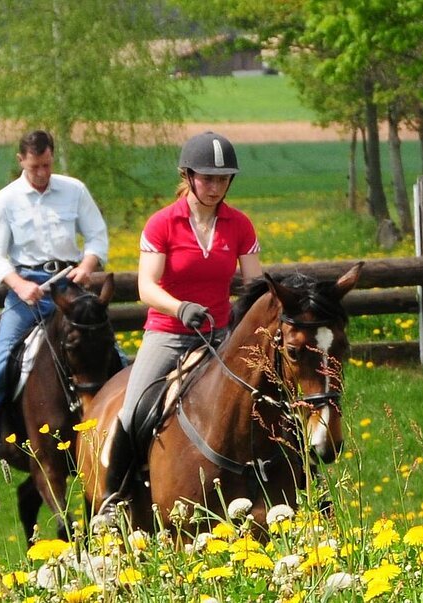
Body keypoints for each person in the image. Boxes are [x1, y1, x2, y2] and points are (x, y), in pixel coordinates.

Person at [93, 131, 263, 523]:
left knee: (271, 401)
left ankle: (305, 483)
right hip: (168, 333)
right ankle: (112, 497)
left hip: (220, 335)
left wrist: (247, 324)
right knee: (134, 410)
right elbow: (146, 286)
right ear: (187, 176)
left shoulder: (240, 225)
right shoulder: (162, 224)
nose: (216, 186)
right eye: (208, 178)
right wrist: (180, 306)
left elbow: (254, 287)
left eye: (223, 179)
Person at [0, 129, 110, 484]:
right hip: (25, 291)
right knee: (2, 361)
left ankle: (120, 437)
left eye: (46, 165)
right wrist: (18, 284)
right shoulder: (6, 199)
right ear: (21, 162)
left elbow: (96, 235)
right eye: (35, 167)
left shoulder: (74, 190)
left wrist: (88, 264)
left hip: (69, 285)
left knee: (110, 352)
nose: (42, 173)